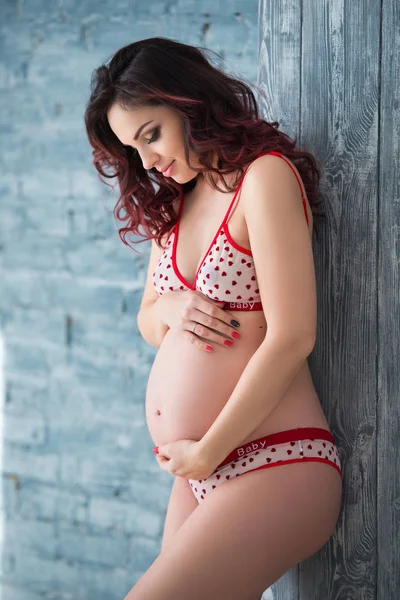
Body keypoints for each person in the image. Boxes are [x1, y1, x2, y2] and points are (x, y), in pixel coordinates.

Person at [84, 36, 343, 600]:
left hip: (276, 460)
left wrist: (208, 451)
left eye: (151, 134)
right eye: (134, 149)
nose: (147, 160)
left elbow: (294, 336)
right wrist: (172, 306)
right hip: (204, 469)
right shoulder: (175, 204)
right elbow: (149, 319)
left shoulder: (263, 177)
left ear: (190, 102)